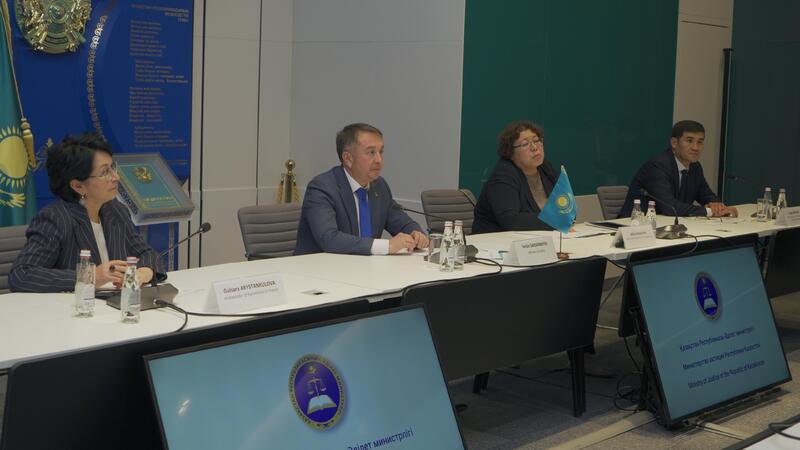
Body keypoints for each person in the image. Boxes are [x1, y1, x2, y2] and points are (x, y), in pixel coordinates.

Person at [9, 133, 164, 293]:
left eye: (113, 167)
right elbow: (21, 275)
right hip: (73, 306)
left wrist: (142, 274)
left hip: (115, 303)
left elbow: (147, 254)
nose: (116, 177)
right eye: (105, 172)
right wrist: (90, 276)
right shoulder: (55, 219)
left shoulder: (115, 210)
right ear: (78, 186)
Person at [294, 123, 428, 255]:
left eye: (381, 152)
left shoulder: (379, 186)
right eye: (371, 152)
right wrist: (387, 246)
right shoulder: (322, 188)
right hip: (321, 266)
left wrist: (415, 234)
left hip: (365, 267)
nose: (379, 160)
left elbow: (402, 223)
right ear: (348, 158)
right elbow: (329, 238)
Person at [618, 120, 738, 218]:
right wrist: (709, 211)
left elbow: (706, 195)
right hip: (635, 228)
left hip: (670, 226)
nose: (695, 147)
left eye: (700, 142)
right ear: (674, 143)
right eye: (689, 141)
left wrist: (718, 206)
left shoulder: (695, 167)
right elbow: (670, 207)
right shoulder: (657, 166)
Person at [472, 120, 560, 233]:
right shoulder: (503, 175)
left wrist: (561, 218)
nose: (534, 147)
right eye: (525, 144)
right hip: (495, 240)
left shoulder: (545, 168)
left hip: (537, 237)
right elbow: (511, 220)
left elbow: (566, 208)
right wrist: (555, 220)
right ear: (510, 152)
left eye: (536, 140)